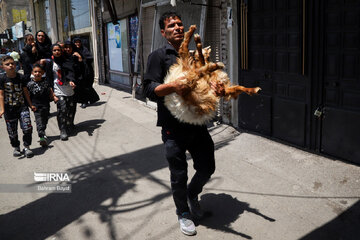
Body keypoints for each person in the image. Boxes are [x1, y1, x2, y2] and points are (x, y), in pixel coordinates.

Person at [143, 11, 224, 236]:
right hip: (173, 127)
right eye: (172, 26)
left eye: (180, 24)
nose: (178, 28)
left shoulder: (194, 56)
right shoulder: (158, 56)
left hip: (197, 124)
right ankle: (183, 213)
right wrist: (173, 86)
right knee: (178, 174)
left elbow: (206, 83)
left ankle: (192, 193)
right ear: (163, 32)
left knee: (208, 167)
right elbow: (148, 89)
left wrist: (216, 88)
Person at [0, 56, 36, 158]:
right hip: (9, 110)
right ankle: (16, 147)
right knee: (12, 131)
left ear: (15, 65)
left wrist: (30, 104)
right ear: (3, 67)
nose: (11, 65)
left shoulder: (21, 77)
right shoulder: (2, 79)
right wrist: (2, 109)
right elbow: (1, 95)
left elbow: (25, 92)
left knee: (27, 127)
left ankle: (27, 147)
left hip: (22, 107)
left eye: (12, 63)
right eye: (7, 64)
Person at [45, 44, 76, 141]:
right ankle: (63, 130)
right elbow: (48, 78)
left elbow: (72, 72)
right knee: (62, 109)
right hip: (58, 89)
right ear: (52, 52)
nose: (57, 52)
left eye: (58, 50)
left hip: (69, 89)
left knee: (71, 109)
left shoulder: (67, 60)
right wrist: (51, 92)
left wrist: (71, 80)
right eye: (55, 50)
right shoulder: (50, 63)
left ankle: (70, 124)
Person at [27, 64, 55, 147]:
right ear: (32, 73)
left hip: (46, 105)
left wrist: (53, 96)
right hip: (36, 106)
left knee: (45, 121)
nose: (37, 73)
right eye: (35, 72)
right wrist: (30, 105)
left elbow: (50, 90)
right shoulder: (30, 84)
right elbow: (27, 95)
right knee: (39, 121)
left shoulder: (45, 83)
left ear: (43, 73)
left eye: (39, 72)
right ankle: (42, 137)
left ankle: (43, 132)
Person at [73, 37, 99, 108]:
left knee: (86, 87)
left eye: (78, 42)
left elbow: (90, 58)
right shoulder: (73, 51)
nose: (77, 44)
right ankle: (89, 100)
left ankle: (85, 101)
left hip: (87, 72)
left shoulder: (85, 50)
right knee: (81, 87)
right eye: (76, 42)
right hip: (78, 72)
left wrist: (81, 58)